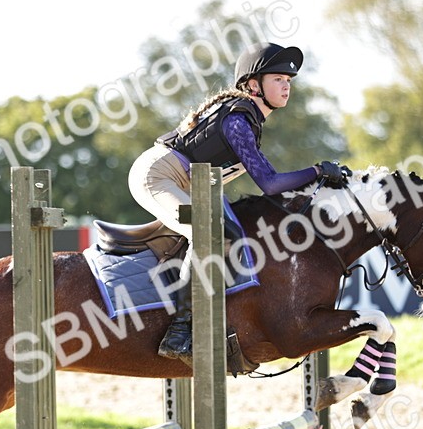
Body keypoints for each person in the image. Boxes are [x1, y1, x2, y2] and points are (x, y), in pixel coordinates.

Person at [128, 42, 348, 363]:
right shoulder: (237, 120)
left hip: (194, 185)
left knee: (233, 233)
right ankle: (180, 330)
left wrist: (318, 179)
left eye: (289, 80)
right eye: (278, 79)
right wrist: (316, 170)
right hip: (158, 176)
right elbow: (270, 183)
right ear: (253, 85)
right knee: (209, 233)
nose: (287, 85)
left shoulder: (247, 120)